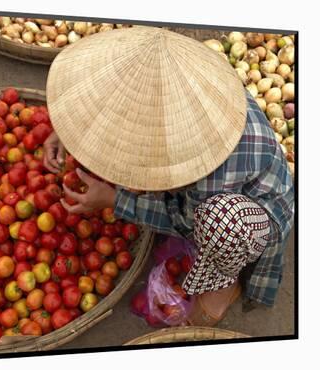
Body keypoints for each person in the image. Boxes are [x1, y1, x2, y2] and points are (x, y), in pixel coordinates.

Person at [43, 26, 294, 325]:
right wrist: (70, 132)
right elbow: (107, 102)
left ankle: (224, 282)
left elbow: (187, 221)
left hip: (248, 211)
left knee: (219, 225)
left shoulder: (211, 175)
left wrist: (113, 199)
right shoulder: (187, 84)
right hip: (212, 170)